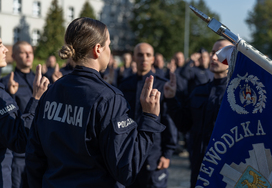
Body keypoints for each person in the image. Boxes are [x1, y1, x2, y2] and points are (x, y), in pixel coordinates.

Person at [25, 17, 166, 188]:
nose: (110, 51)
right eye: (109, 45)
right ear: (98, 49)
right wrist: (150, 118)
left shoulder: (50, 92)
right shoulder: (109, 98)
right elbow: (126, 169)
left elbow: (34, 156)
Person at [164, 39, 233, 188]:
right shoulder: (199, 91)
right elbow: (184, 124)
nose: (213, 57)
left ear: (233, 57)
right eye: (213, 53)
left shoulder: (238, 95)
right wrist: (171, 99)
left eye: (221, 53)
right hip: (199, 168)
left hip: (227, 171)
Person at [118, 43, 177, 188]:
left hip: (154, 154)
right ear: (133, 58)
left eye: (148, 55)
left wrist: (167, 153)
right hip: (129, 152)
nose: (144, 58)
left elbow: (169, 119)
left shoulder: (163, 85)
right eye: (140, 54)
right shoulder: (125, 84)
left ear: (153, 58)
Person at [0, 38, 49, 188]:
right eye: (23, 52)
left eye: (30, 52)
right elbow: (16, 135)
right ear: (15, 57)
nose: (5, 49)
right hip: (17, 156)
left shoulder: (40, 81)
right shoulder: (7, 82)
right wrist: (34, 98)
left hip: (37, 154)